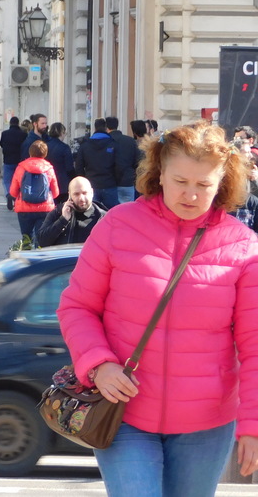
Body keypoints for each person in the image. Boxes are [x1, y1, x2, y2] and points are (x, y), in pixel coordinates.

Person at [57, 121, 258, 495]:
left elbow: (254, 345)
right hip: (125, 414)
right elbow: (77, 306)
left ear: (223, 184)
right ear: (160, 173)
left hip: (206, 425)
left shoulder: (244, 248)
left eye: (204, 185)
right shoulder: (118, 226)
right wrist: (98, 364)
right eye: (181, 181)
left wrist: (253, 425)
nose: (191, 195)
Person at [9, 140, 60, 245]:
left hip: (24, 209)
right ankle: (38, 256)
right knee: (40, 237)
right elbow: (56, 193)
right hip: (44, 209)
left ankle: (26, 256)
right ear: (45, 153)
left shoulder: (21, 167)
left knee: (26, 237)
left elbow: (13, 191)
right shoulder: (49, 168)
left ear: (30, 152)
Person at [37, 176, 108, 247]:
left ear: (91, 193)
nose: (81, 198)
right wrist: (63, 220)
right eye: (76, 194)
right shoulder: (58, 212)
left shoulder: (104, 218)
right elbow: (42, 242)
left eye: (84, 193)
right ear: (69, 195)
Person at [76, 117, 119, 209]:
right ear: (106, 128)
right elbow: (119, 165)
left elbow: (79, 166)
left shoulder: (85, 145)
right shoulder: (113, 144)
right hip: (109, 184)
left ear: (95, 128)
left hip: (91, 184)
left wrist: (84, 181)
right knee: (112, 214)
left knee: (91, 214)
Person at [107, 116, 140, 204]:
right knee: (128, 210)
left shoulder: (106, 141)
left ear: (106, 128)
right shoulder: (130, 141)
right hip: (127, 181)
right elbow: (138, 161)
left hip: (109, 182)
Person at [45, 122, 75, 203]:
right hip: (62, 184)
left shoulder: (45, 146)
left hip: (47, 181)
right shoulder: (64, 147)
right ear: (61, 133)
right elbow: (69, 168)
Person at [0, 116, 25, 210]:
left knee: (7, 180)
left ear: (10, 123)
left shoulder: (5, 134)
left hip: (8, 161)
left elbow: (1, 144)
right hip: (19, 161)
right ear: (18, 123)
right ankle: (16, 197)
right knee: (19, 181)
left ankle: (8, 194)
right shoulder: (23, 134)